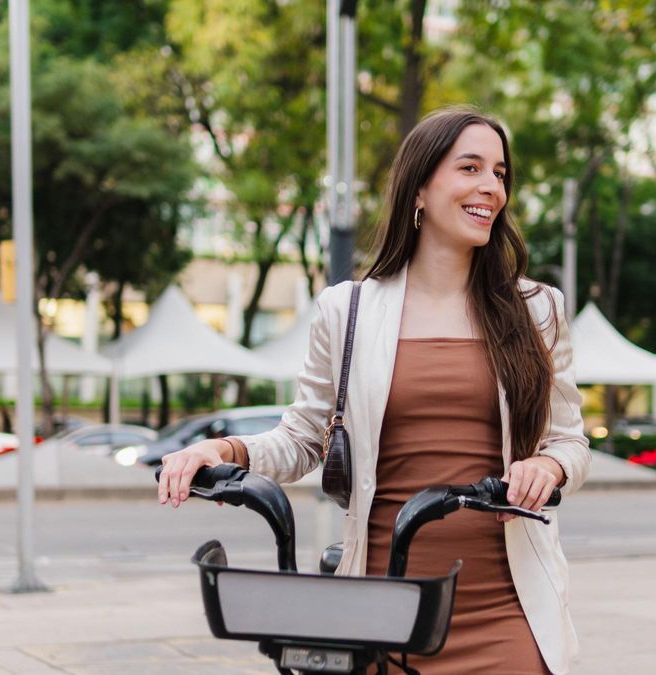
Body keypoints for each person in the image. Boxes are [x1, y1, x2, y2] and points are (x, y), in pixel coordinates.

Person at [157, 106, 591, 674]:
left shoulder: (538, 311)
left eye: (500, 173)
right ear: (419, 188)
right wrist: (224, 451)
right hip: (382, 611)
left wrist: (548, 469)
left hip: (507, 609)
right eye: (470, 168)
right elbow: (304, 438)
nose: (491, 187)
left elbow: (571, 443)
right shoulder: (349, 310)